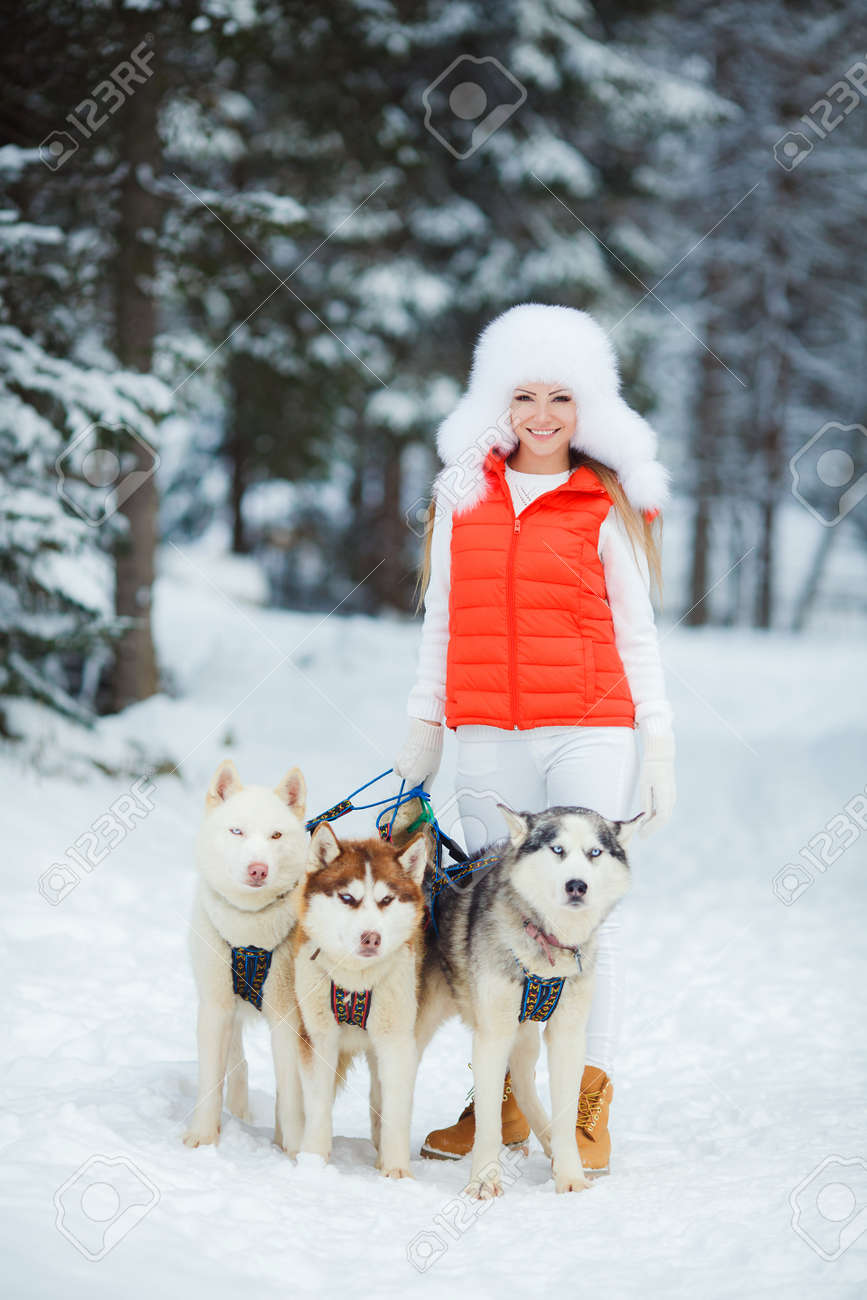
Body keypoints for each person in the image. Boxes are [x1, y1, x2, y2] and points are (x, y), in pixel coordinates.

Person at [393, 302, 676, 1175]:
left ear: (587, 406)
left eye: (562, 396)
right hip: (485, 735)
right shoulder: (461, 498)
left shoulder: (601, 503)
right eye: (524, 396)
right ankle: (506, 1099)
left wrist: (656, 741)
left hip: (589, 727)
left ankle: (585, 1095)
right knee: (497, 919)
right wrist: (419, 755)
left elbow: (636, 633)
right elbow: (439, 627)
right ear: (497, 402)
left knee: (579, 917)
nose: (542, 415)